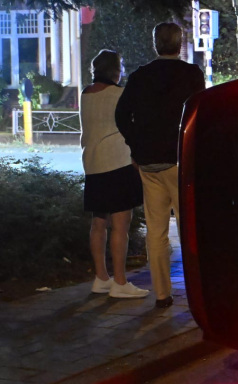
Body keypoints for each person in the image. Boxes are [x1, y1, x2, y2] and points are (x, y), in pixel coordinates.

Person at [115, 22, 205, 308]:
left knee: (156, 231)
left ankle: (162, 294)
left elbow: (121, 114)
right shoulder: (191, 74)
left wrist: (135, 145)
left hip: (148, 162)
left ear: (156, 44)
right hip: (180, 161)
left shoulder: (140, 76)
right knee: (190, 227)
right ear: (179, 44)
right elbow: (199, 113)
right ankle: (196, 293)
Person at [81, 49, 148, 299]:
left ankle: (101, 278)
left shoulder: (85, 94)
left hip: (93, 163)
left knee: (99, 222)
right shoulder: (119, 94)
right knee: (121, 224)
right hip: (118, 162)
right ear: (115, 70)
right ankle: (120, 282)